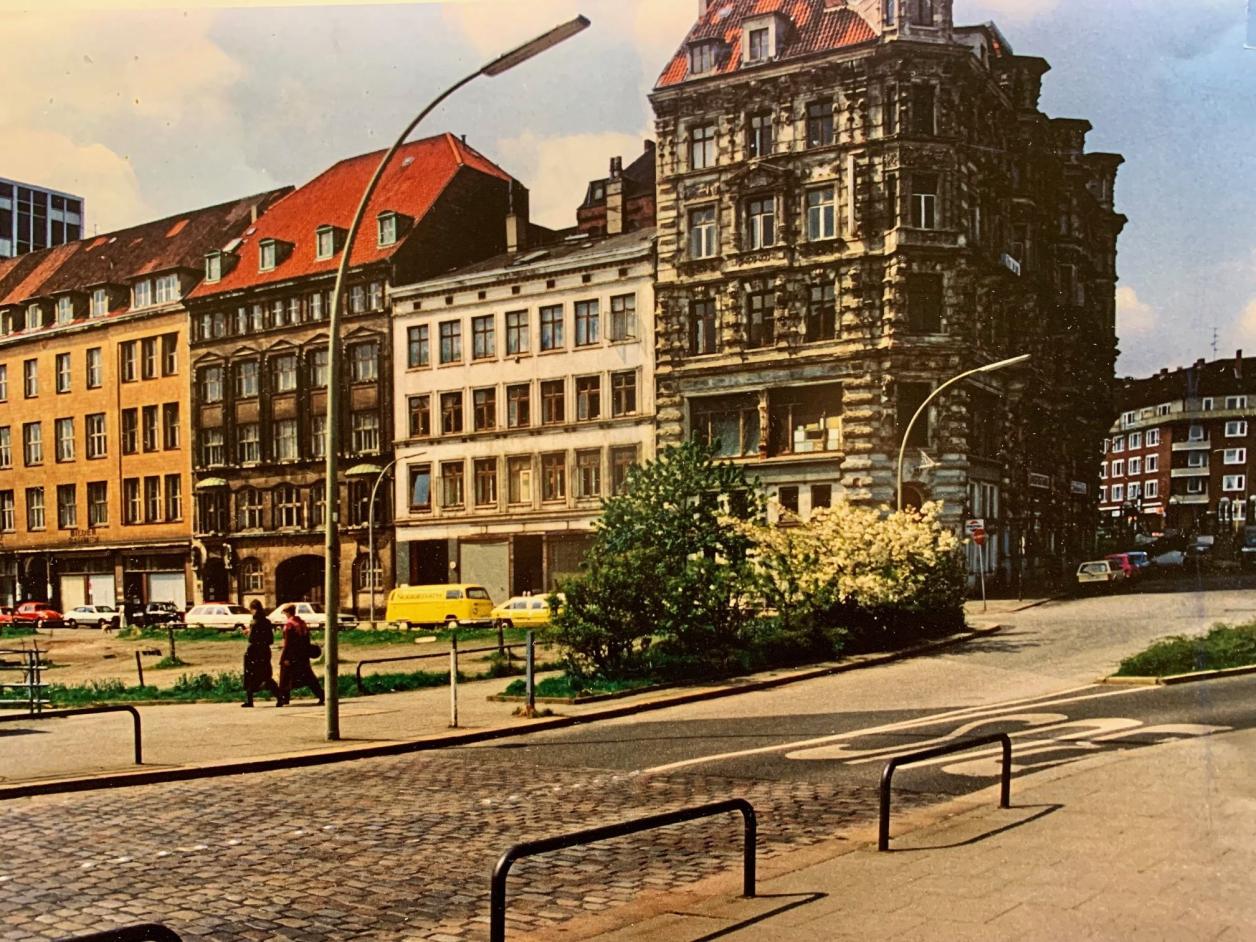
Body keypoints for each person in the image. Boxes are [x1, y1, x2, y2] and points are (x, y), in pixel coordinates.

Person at [277, 603, 324, 707]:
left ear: (288, 612)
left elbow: (287, 644)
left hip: (292, 656)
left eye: (285, 612)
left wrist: (284, 657)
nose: (284, 614)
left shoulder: (289, 625)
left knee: (284, 676)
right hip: (303, 655)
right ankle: (321, 694)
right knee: (309, 677)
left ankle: (284, 698)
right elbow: (306, 639)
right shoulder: (301, 623)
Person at [241, 600, 280, 708]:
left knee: (250, 674)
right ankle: (279, 697)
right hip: (265, 651)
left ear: (254, 609)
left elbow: (252, 638)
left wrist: (248, 634)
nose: (250, 612)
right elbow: (270, 639)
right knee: (266, 676)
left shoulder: (254, 622)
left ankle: (250, 700)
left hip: (254, 651)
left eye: (251, 609)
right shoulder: (267, 621)